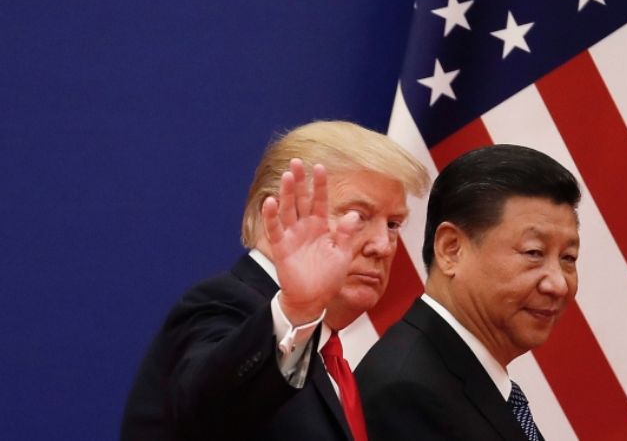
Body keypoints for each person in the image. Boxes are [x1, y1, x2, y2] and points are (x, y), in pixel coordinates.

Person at [121, 120, 429, 441]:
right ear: (280, 212)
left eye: (393, 224)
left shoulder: (323, 348)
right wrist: (297, 309)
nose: (382, 245)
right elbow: (207, 414)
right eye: (358, 216)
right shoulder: (224, 304)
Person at [357, 144, 581, 441]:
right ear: (451, 249)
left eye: (568, 258)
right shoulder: (407, 392)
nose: (558, 284)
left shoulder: (462, 375)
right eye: (534, 252)